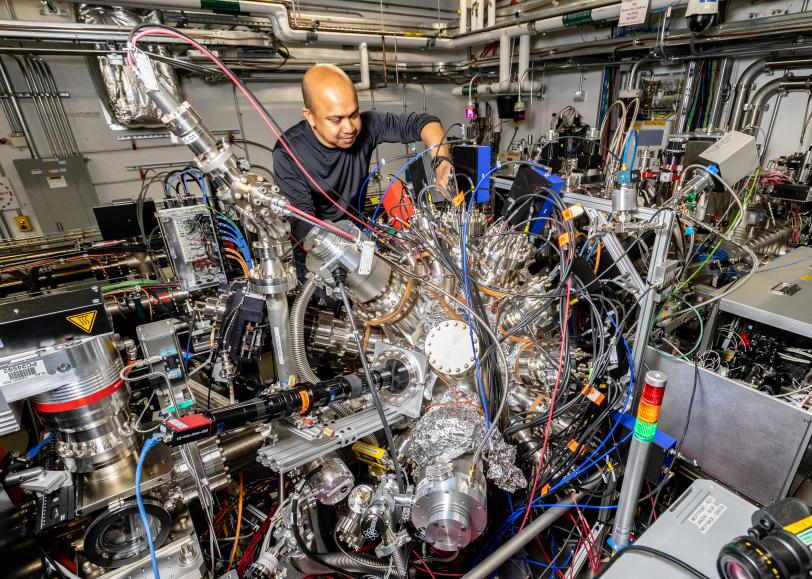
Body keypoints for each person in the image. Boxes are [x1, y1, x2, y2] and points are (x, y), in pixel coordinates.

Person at [272, 63, 453, 278]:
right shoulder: (288, 152)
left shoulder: (368, 125)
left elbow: (424, 123)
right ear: (309, 116)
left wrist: (441, 161)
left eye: (354, 114)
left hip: (360, 243)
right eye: (336, 119)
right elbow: (303, 224)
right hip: (319, 258)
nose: (349, 128)